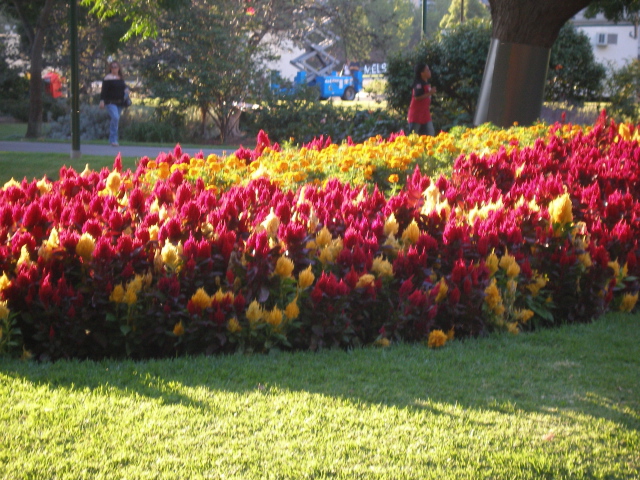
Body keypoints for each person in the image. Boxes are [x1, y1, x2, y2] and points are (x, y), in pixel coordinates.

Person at [99, 61, 129, 146]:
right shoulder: (107, 78)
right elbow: (104, 91)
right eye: (112, 67)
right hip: (110, 102)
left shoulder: (120, 78)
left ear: (119, 68)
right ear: (110, 68)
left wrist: (126, 90)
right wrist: (102, 101)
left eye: (115, 67)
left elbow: (124, 87)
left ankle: (112, 139)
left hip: (120, 102)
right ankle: (113, 139)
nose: (114, 68)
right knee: (115, 118)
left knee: (116, 120)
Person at [407, 62, 436, 136]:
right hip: (416, 115)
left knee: (430, 133)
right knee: (413, 136)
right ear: (422, 73)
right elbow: (417, 97)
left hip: (425, 114)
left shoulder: (426, 83)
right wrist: (430, 93)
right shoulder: (418, 84)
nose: (429, 71)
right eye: (427, 70)